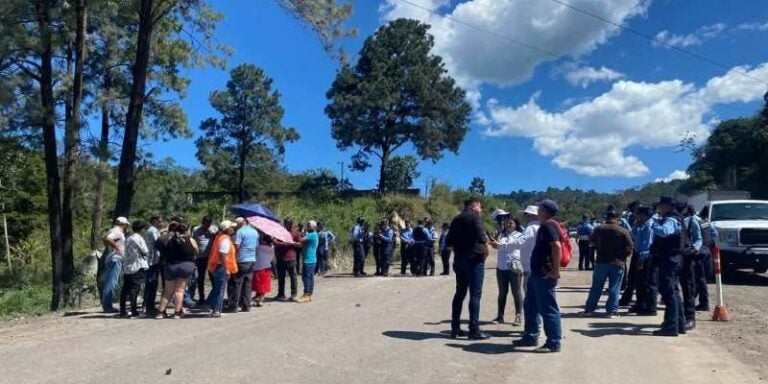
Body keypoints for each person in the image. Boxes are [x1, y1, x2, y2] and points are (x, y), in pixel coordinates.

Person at [513, 199, 563, 353]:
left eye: (540, 208)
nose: (537, 211)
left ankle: (553, 342)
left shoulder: (548, 225)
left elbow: (556, 246)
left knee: (548, 308)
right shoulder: (544, 226)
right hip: (536, 274)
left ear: (544, 211)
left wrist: (555, 270)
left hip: (544, 274)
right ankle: (531, 336)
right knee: (531, 306)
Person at [446, 197, 490, 340]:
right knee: (475, 295)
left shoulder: (456, 220)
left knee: (459, 293)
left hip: (459, 260)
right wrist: (484, 252)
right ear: (474, 206)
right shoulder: (475, 219)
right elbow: (483, 240)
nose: (481, 210)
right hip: (474, 261)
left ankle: (455, 328)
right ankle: (474, 330)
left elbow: (449, 243)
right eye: (480, 207)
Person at [583, 208, 634, 318]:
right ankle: (611, 311)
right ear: (617, 218)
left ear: (606, 218)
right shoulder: (623, 231)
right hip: (617, 262)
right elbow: (630, 247)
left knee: (596, 287)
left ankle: (589, 309)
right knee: (614, 288)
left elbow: (591, 242)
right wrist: (623, 256)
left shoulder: (598, 229)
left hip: (601, 261)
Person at [649, 197, 686, 336]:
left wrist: (652, 223)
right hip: (673, 258)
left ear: (667, 206)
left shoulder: (670, 219)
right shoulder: (674, 218)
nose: (659, 208)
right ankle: (679, 324)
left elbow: (664, 232)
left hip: (669, 258)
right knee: (674, 292)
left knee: (668, 292)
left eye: (661, 206)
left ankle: (671, 326)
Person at [156, 222, 198, 319]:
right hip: (186, 265)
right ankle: (177, 312)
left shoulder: (170, 239)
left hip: (171, 265)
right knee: (179, 290)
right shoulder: (190, 239)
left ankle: (161, 312)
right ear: (187, 230)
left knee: (167, 291)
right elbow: (196, 250)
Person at [489, 217, 525, 326]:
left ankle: (518, 316)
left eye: (511, 223)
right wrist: (499, 231)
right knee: (502, 293)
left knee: (516, 292)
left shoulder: (520, 235)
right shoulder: (501, 235)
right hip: (501, 267)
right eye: (506, 223)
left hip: (514, 267)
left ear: (516, 224)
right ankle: (500, 316)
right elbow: (494, 244)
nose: (508, 224)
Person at [627, 205, 657, 315]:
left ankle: (650, 307)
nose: (636, 217)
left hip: (645, 257)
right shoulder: (641, 225)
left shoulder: (649, 226)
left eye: (638, 215)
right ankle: (641, 304)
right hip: (640, 254)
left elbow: (647, 244)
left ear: (643, 215)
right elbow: (634, 237)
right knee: (639, 282)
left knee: (647, 282)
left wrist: (641, 259)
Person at [678, 203, 703, 330]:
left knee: (688, 287)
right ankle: (678, 316)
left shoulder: (692, 221)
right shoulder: (673, 220)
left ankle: (690, 317)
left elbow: (698, 239)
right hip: (675, 256)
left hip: (687, 257)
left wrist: (693, 250)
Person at [206, 220, 237, 318]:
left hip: (217, 267)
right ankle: (216, 310)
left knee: (217, 288)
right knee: (220, 290)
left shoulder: (220, 237)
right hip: (221, 267)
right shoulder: (225, 240)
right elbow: (223, 255)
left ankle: (212, 306)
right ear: (227, 229)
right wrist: (226, 268)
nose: (234, 229)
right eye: (232, 227)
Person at [227, 219, 259, 312]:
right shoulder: (255, 231)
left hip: (242, 259)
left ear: (240, 223)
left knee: (237, 283)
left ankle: (234, 305)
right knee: (247, 283)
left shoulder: (240, 232)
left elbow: (237, 246)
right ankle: (246, 305)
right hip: (252, 259)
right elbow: (256, 245)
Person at [120, 221, 149, 318]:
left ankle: (123, 310)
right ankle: (134, 311)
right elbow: (145, 251)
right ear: (141, 229)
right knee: (134, 290)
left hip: (128, 267)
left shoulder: (128, 238)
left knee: (125, 289)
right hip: (137, 266)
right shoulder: (139, 238)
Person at [101, 217, 129, 313]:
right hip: (115, 258)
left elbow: (105, 239)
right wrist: (117, 248)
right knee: (112, 282)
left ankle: (107, 304)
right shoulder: (117, 231)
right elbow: (107, 239)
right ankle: (107, 305)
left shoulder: (112, 230)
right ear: (123, 224)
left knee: (111, 281)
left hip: (111, 258)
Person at [274, 218, 303, 301]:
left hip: (291, 257)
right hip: (281, 257)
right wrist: (286, 244)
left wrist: (294, 244)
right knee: (281, 277)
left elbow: (300, 244)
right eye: (286, 223)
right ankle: (281, 294)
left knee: (293, 276)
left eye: (289, 223)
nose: (287, 224)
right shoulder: (280, 232)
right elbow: (275, 242)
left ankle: (294, 294)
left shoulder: (295, 232)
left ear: (292, 223)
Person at [192, 215, 217, 305]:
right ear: (202, 222)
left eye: (208, 224)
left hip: (211, 257)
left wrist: (212, 235)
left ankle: (214, 297)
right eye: (205, 224)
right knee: (200, 277)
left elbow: (217, 240)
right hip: (200, 257)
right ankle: (201, 297)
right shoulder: (196, 229)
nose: (207, 226)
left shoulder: (214, 229)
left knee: (213, 277)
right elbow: (193, 240)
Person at [143, 215, 163, 316]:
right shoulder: (153, 231)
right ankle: (148, 305)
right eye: (159, 221)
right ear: (154, 221)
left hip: (151, 260)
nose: (161, 222)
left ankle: (147, 305)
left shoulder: (149, 230)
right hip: (153, 260)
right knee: (152, 283)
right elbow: (159, 242)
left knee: (150, 283)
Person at [298, 221, 320, 303]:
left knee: (306, 277)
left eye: (309, 225)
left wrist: (299, 233)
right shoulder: (311, 234)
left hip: (309, 260)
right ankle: (309, 294)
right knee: (309, 277)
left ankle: (307, 294)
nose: (307, 226)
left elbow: (301, 240)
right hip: (310, 259)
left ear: (313, 227)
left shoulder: (312, 235)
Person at [252, 234, 275, 307]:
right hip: (267, 268)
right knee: (264, 285)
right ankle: (260, 299)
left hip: (258, 267)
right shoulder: (271, 249)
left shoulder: (259, 248)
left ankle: (259, 298)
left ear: (264, 241)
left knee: (258, 284)